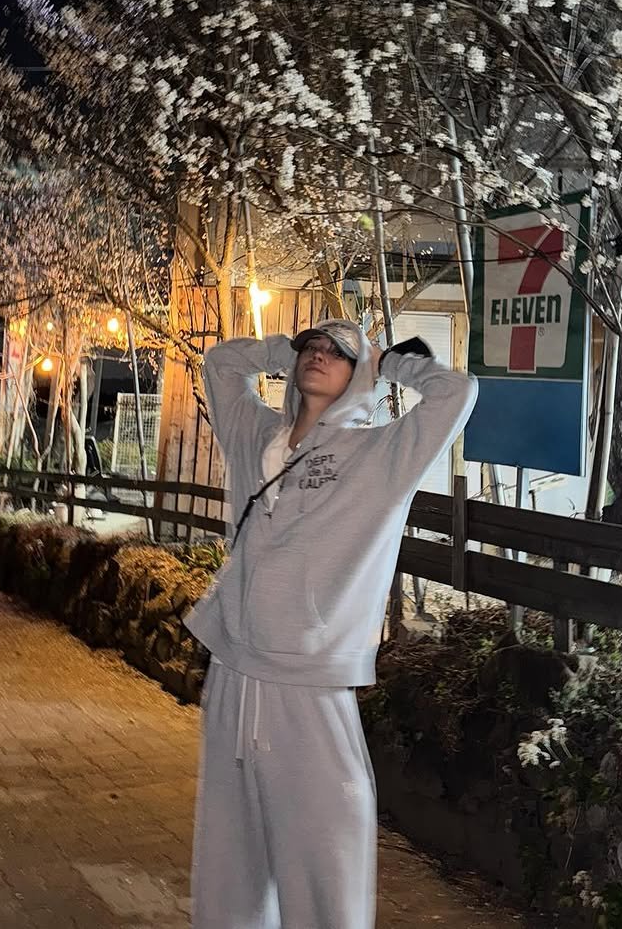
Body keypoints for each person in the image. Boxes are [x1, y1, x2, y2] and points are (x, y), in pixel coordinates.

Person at [185, 319, 478, 929]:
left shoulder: (380, 454)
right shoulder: (255, 435)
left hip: (309, 679)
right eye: (310, 347)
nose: (318, 356)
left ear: (358, 371)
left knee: (325, 849)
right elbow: (220, 364)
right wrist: (281, 348)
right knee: (230, 857)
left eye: (336, 352)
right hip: (233, 667)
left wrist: (385, 362)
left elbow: (457, 392)